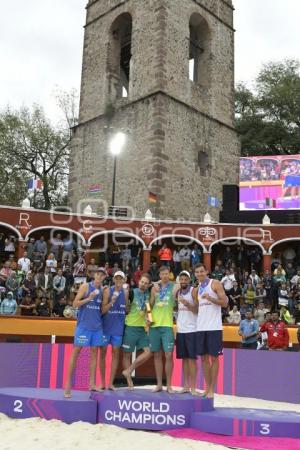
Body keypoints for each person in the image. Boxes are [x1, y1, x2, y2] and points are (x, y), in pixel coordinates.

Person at [64, 268, 107, 398]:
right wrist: (89, 298)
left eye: (102, 275)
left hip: (97, 328)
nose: (99, 276)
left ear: (104, 277)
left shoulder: (103, 291)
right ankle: (67, 386)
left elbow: (102, 310)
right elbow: (75, 304)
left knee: (94, 353)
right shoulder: (85, 286)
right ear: (94, 275)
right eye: (98, 274)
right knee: (76, 353)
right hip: (83, 327)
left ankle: (92, 384)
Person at [193, 263, 228, 398]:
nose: (200, 274)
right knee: (203, 359)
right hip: (201, 327)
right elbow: (197, 309)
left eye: (202, 271)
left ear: (207, 271)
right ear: (195, 274)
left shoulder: (215, 283)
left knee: (214, 358)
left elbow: (224, 303)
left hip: (214, 327)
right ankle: (207, 388)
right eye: (197, 272)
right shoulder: (196, 289)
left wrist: (211, 298)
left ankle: (212, 389)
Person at [122, 273, 152, 389]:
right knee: (127, 355)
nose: (143, 284)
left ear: (148, 285)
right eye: (142, 282)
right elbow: (126, 307)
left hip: (142, 329)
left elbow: (148, 310)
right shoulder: (131, 292)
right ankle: (129, 382)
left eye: (145, 283)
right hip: (130, 327)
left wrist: (150, 320)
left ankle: (129, 370)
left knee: (148, 352)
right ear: (139, 281)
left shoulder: (148, 295)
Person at [149, 265, 175, 393]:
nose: (164, 276)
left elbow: (181, 284)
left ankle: (169, 385)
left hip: (167, 325)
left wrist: (157, 283)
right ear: (159, 275)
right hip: (154, 325)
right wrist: (155, 289)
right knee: (157, 355)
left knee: (169, 355)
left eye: (166, 273)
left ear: (169, 274)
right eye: (162, 274)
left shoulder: (174, 286)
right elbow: (150, 304)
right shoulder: (154, 289)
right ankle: (159, 384)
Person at [101, 271, 129, 390]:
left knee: (116, 354)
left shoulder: (126, 292)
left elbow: (126, 309)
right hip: (106, 328)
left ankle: (111, 383)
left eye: (120, 279)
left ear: (124, 280)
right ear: (113, 279)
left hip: (118, 329)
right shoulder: (107, 290)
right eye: (116, 278)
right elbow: (103, 310)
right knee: (102, 353)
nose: (118, 280)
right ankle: (102, 383)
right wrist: (112, 301)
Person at [175, 270, 198, 395]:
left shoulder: (193, 291)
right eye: (181, 279)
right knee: (184, 359)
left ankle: (193, 388)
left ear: (189, 280)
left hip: (192, 329)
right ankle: (185, 386)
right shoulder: (178, 292)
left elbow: (197, 310)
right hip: (181, 329)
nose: (183, 281)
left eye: (185, 279)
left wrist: (187, 304)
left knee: (192, 359)